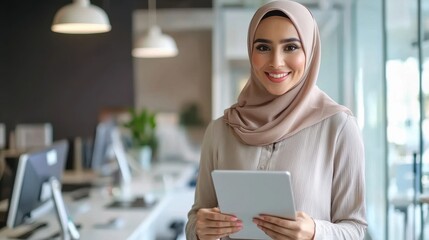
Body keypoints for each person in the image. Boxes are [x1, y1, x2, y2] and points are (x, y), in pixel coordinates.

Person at [185, 0, 367, 239]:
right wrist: (200, 230)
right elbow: (195, 220)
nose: (276, 62)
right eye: (263, 47)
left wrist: (315, 232)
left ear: (309, 52)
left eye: (291, 47)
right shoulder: (220, 130)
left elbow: (355, 229)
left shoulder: (339, 127)